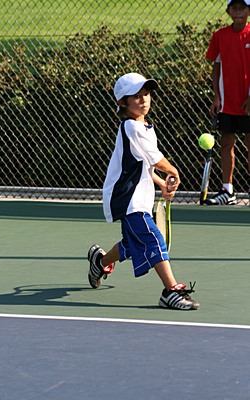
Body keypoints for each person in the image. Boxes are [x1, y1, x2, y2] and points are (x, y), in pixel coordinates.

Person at [87, 72, 199, 310]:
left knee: (132, 242)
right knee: (153, 239)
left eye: (146, 94)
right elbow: (155, 158)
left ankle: (100, 261)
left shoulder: (144, 126)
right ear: (122, 103)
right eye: (136, 96)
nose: (144, 100)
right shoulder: (131, 127)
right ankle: (170, 291)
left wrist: (160, 183)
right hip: (127, 198)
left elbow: (144, 164)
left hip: (138, 195)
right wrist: (174, 172)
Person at [205, 0, 250, 205]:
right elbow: (216, 68)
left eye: (243, 8)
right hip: (227, 102)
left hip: (248, 102)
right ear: (228, 11)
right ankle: (228, 190)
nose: (238, 12)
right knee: (226, 143)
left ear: (249, 11)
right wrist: (216, 96)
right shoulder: (220, 36)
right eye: (234, 8)